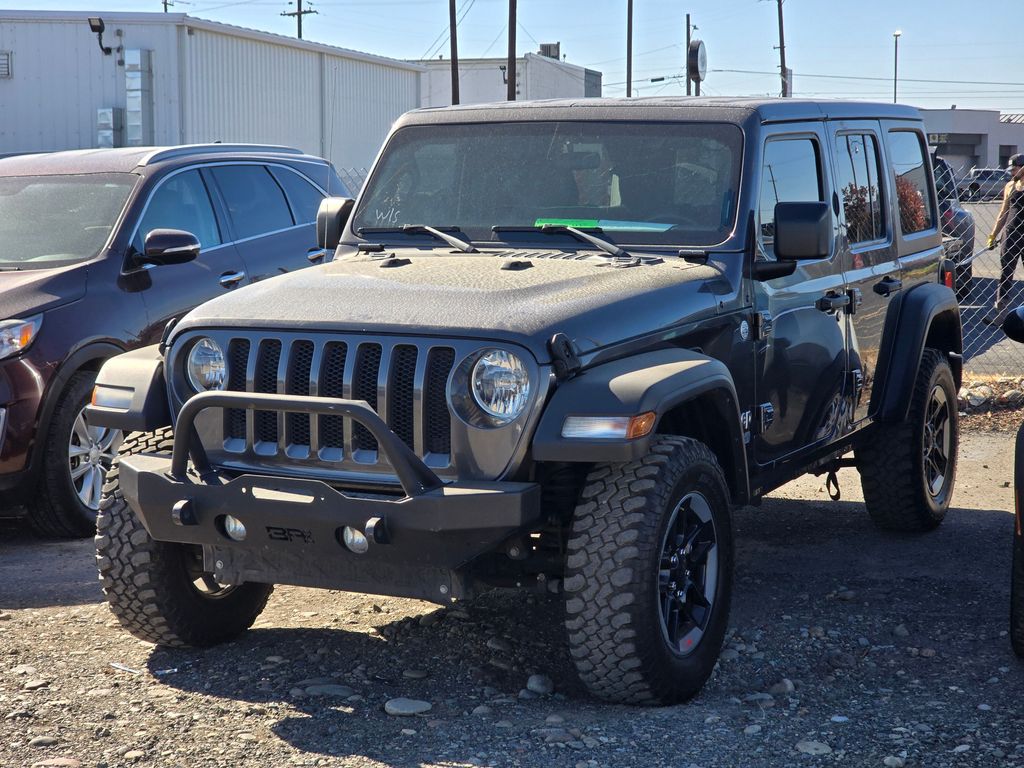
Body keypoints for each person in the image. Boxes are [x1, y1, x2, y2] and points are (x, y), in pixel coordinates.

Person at [985, 154, 1024, 324]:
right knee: (1006, 273)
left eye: (1015, 169)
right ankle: (1001, 315)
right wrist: (993, 234)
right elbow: (1003, 212)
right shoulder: (1010, 186)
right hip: (1011, 234)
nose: (1012, 172)